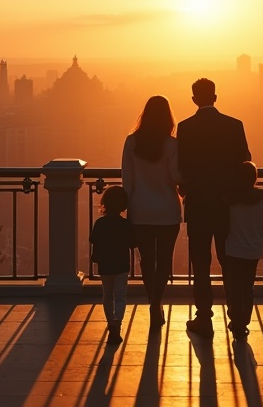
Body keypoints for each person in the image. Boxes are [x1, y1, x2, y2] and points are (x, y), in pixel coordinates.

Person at [177, 78, 251, 339]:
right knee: (229, 262)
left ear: (194, 99)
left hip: (197, 204)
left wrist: (186, 187)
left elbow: (181, 166)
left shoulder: (185, 128)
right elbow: (245, 161)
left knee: (200, 263)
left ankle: (204, 318)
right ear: (215, 97)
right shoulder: (234, 125)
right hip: (226, 204)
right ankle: (237, 319)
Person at [122, 95, 182, 330]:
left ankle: (152, 302)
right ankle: (157, 301)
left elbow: (127, 180)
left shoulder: (131, 142)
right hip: (167, 210)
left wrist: (127, 210)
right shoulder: (171, 145)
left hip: (140, 210)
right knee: (164, 260)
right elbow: (176, 177)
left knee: (147, 260)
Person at [225, 161, 263, 342]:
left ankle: (236, 319)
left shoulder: (230, 200)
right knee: (247, 286)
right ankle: (243, 321)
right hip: (253, 249)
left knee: (234, 287)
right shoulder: (261, 199)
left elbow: (225, 225)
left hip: (233, 249)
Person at [90, 185, 136, 345]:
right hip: (121, 264)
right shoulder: (125, 225)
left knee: (107, 294)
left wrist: (95, 257)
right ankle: (117, 322)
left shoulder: (100, 224)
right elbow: (132, 243)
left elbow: (94, 241)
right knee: (120, 296)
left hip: (105, 263)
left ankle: (111, 323)